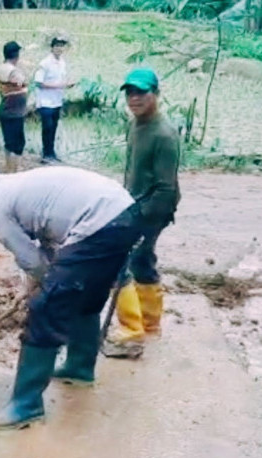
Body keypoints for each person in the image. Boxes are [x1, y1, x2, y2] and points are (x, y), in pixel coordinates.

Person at [0, 163, 141, 431]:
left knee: (45, 308)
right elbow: (50, 244)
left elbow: (31, 259)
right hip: (125, 213)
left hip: (99, 223)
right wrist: (51, 276)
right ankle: (79, 367)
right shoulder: (17, 185)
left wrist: (44, 286)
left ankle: (26, 405)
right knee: (85, 295)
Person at [102, 68, 181, 359]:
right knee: (144, 261)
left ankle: (130, 333)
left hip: (151, 209)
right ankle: (150, 324)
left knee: (123, 263)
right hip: (133, 204)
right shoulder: (136, 125)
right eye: (130, 93)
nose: (134, 99)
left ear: (156, 95)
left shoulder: (164, 134)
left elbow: (165, 187)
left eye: (141, 93)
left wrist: (142, 219)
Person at [34, 35, 75, 163]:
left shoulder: (62, 62)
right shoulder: (45, 63)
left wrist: (67, 84)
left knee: (54, 128)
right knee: (47, 128)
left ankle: (51, 153)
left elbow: (60, 79)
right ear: (52, 48)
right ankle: (46, 155)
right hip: (46, 102)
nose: (59, 48)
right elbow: (38, 83)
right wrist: (60, 85)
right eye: (57, 45)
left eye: (61, 46)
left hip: (57, 101)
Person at [0, 41, 29, 172]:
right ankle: (13, 170)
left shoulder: (2, 68)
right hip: (15, 111)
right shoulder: (14, 72)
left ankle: (9, 168)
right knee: (17, 144)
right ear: (17, 55)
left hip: (5, 108)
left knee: (9, 142)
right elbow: (22, 85)